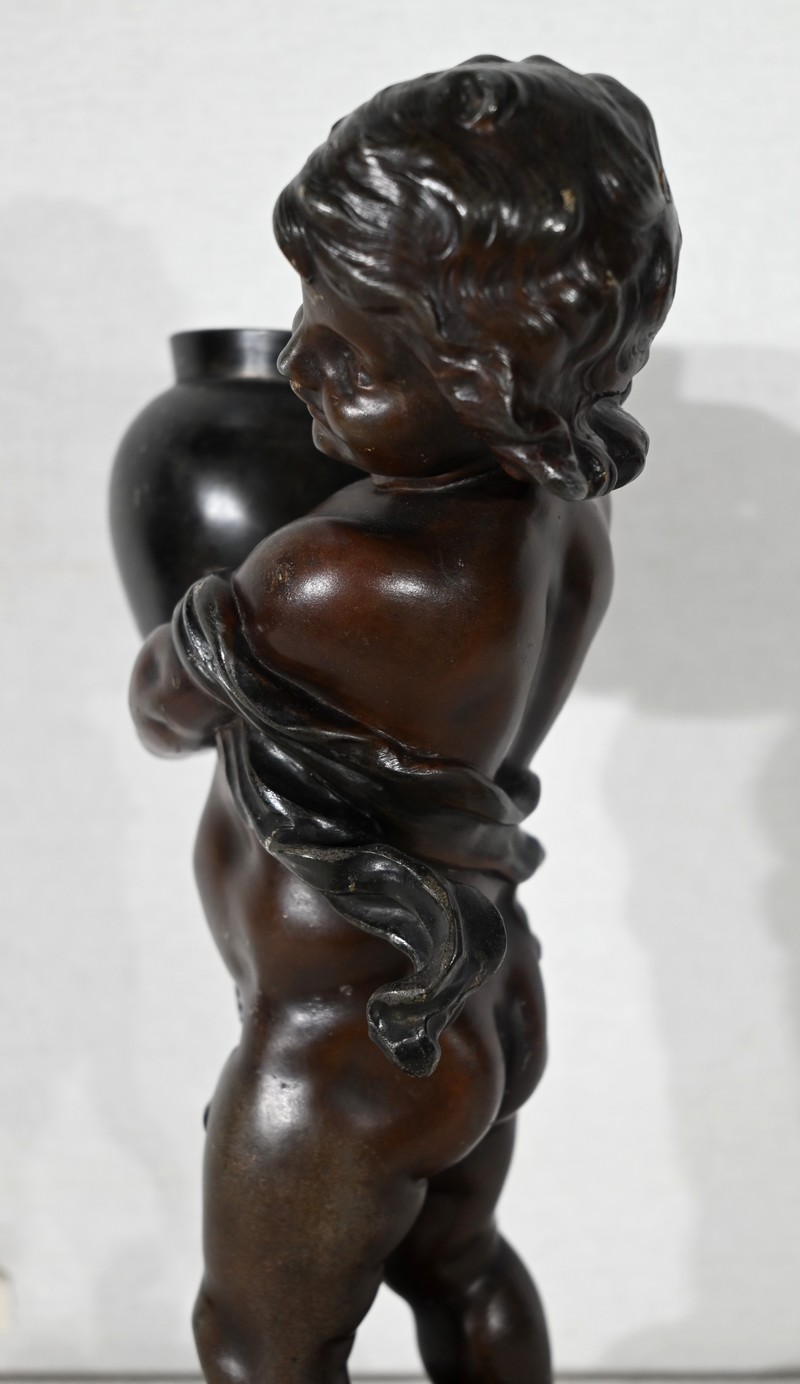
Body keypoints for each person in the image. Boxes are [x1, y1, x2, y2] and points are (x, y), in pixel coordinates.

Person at [130, 54, 679, 1384]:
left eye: (352, 345)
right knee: (463, 1267)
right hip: (479, 988)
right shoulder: (569, 519)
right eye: (305, 309)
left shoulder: (335, 574)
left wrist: (204, 610)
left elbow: (161, 710)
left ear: (485, 376)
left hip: (333, 1049)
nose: (298, 358)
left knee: (258, 1348)